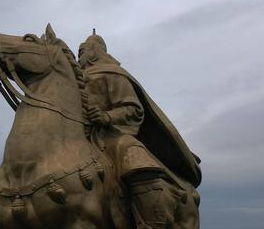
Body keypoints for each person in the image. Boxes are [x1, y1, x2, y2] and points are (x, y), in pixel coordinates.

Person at [79, 30, 201, 229]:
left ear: (94, 51)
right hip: (81, 137)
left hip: (111, 136)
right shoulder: (72, 81)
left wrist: (106, 116)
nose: (80, 56)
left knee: (134, 156)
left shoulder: (112, 73)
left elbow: (133, 110)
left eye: (83, 50)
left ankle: (152, 221)